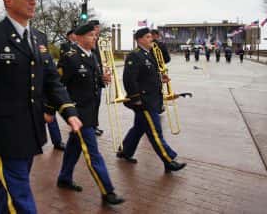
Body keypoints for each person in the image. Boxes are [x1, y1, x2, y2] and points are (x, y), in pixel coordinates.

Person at [0, 0, 82, 214]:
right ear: (8, 0)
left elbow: (51, 79)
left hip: (31, 129)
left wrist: (68, 110)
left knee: (10, 188)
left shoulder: (38, 37)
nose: (33, 1)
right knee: (20, 195)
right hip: (4, 133)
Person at [55, 23, 125, 205]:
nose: (94, 38)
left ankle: (64, 177)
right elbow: (56, 85)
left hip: (91, 110)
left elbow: (93, 82)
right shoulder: (70, 58)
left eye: (95, 35)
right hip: (78, 112)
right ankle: (107, 191)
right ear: (78, 38)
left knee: (74, 146)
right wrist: (51, 109)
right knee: (93, 153)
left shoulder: (92, 56)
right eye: (90, 36)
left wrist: (103, 80)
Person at [117, 27, 186, 173]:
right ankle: (168, 160)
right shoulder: (134, 56)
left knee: (139, 128)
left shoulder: (149, 54)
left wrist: (161, 78)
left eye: (151, 37)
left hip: (153, 99)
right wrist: (136, 99)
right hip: (144, 101)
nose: (151, 39)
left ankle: (125, 151)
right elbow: (129, 79)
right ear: (140, 39)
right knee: (155, 132)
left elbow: (147, 76)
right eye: (148, 37)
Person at [88, 20, 104, 136]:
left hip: (99, 78)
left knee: (96, 103)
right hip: (91, 78)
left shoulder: (98, 41)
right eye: (97, 27)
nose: (99, 29)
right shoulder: (91, 42)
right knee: (92, 104)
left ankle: (94, 125)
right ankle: (91, 126)